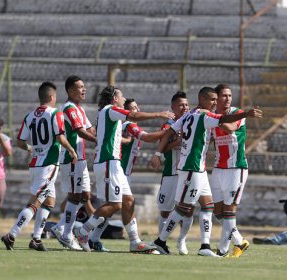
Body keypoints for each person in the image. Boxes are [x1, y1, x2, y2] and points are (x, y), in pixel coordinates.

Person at [150, 87, 262, 256]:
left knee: (208, 206)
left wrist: (158, 153)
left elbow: (169, 132)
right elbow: (225, 119)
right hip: (191, 167)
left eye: (217, 99)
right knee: (183, 208)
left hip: (199, 169)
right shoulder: (204, 116)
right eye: (212, 100)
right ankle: (160, 241)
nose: (215, 103)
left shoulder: (189, 115)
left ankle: (205, 247)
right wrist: (246, 114)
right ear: (202, 99)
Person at [73, 85, 174, 253]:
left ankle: (135, 242)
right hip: (107, 162)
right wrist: (159, 114)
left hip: (115, 164)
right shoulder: (110, 109)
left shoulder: (110, 114)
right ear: (114, 99)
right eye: (122, 97)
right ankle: (83, 232)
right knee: (115, 205)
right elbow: (134, 118)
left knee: (128, 201)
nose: (124, 99)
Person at [1, 81, 78, 251]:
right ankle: (11, 235)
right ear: (51, 97)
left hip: (35, 164)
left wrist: (31, 148)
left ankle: (36, 239)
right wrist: (72, 150)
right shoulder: (55, 113)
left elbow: (20, 142)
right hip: (49, 164)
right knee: (35, 202)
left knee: (49, 201)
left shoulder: (29, 116)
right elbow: (60, 138)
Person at [50, 75, 97, 252]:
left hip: (81, 159)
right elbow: (81, 132)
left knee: (85, 195)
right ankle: (67, 235)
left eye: (84, 86)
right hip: (72, 159)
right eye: (80, 87)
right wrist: (99, 141)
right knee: (75, 197)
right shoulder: (69, 109)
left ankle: (60, 227)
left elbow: (90, 129)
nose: (84, 89)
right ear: (70, 90)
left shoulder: (79, 109)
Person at [209, 84, 252, 257]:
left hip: (236, 168)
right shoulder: (212, 115)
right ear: (216, 98)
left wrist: (213, 117)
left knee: (229, 210)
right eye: (224, 95)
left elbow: (231, 127)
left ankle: (224, 249)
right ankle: (237, 241)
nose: (228, 98)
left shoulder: (237, 112)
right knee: (217, 210)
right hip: (219, 167)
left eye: (230, 95)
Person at [152, 91, 193, 255]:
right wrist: (176, 141)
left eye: (186, 105)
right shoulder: (167, 126)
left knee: (188, 208)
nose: (185, 108)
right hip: (170, 172)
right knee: (165, 209)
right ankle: (162, 243)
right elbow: (162, 147)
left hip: (187, 172)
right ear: (173, 107)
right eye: (181, 105)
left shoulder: (192, 122)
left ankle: (182, 241)